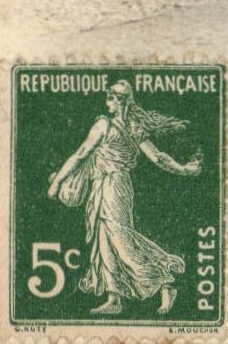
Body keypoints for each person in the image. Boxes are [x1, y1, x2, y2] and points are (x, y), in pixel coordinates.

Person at [46, 80, 202, 317]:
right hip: (105, 185)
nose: (106, 103)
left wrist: (57, 182)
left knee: (120, 239)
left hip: (113, 186)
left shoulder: (105, 125)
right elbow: (158, 157)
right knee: (104, 240)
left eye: (109, 98)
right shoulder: (132, 126)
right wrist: (183, 169)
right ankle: (114, 298)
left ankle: (163, 281)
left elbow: (80, 154)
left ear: (117, 101)